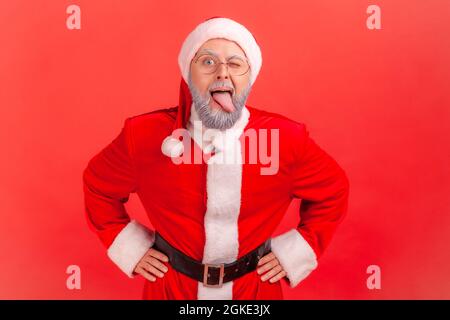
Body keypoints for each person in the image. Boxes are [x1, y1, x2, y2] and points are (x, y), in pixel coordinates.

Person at [82, 16, 350, 300]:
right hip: (170, 290)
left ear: (250, 76)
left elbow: (333, 191)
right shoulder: (144, 135)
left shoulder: (286, 138)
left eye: (235, 64)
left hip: (255, 293)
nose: (222, 73)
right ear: (188, 74)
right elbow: (97, 186)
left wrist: (295, 251)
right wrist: (131, 248)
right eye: (208, 62)